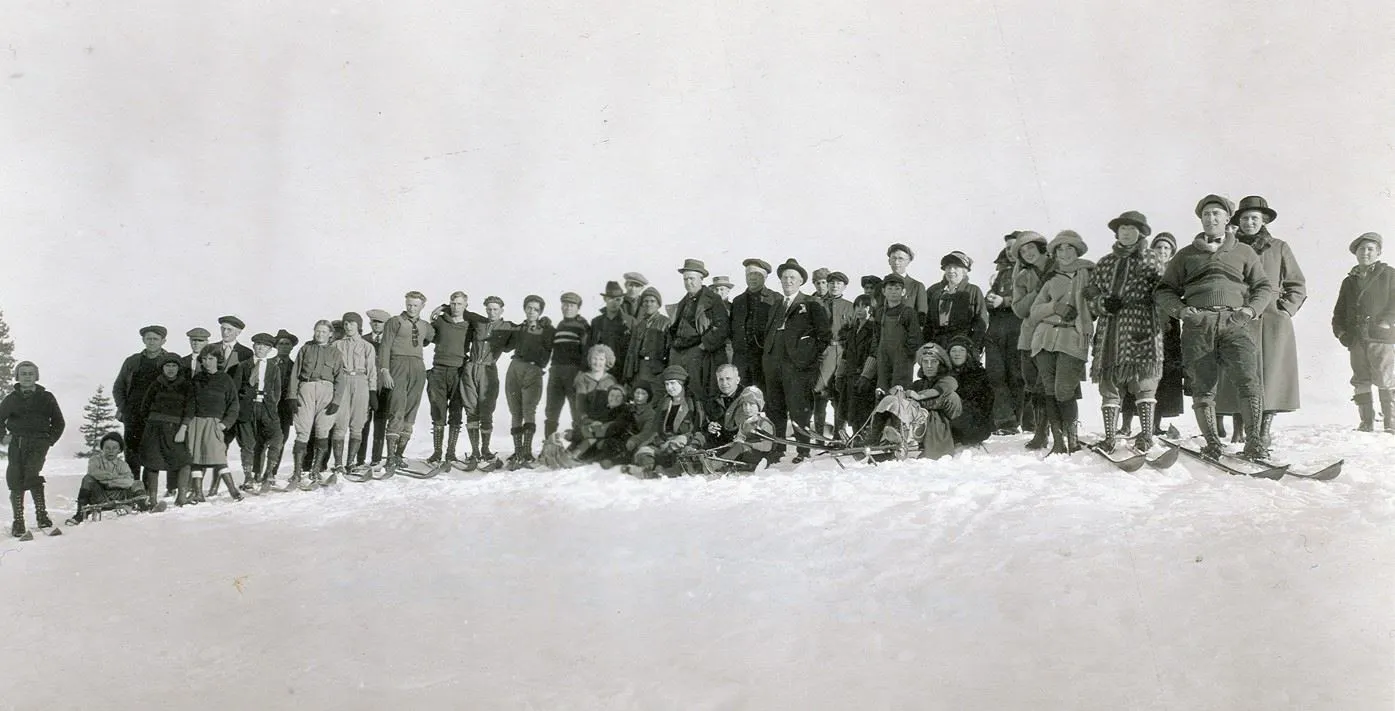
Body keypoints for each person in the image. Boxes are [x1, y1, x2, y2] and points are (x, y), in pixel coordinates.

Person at [1154, 194, 1276, 460]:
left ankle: (1254, 443)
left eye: (1217, 214)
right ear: (1201, 219)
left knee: (1248, 381)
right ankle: (1212, 443)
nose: (1211, 219)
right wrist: (1182, 311)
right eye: (1206, 214)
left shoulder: (1244, 251)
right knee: (1203, 386)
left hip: (1235, 323)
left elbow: (1263, 287)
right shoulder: (1186, 254)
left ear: (1226, 219)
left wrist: (1249, 310)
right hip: (1200, 325)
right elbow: (1164, 291)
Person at [1214, 196, 1308, 448]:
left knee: (1270, 376)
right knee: (1237, 371)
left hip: (1271, 321)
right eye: (1244, 218)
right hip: (1237, 317)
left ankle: (1264, 431)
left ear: (1264, 220)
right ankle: (1239, 429)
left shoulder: (1278, 247)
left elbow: (1296, 283)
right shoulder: (1228, 247)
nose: (1249, 222)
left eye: (1255, 218)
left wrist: (1286, 309)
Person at [1084, 211, 1166, 452]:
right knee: (1109, 383)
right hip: (1110, 329)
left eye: (1132, 229)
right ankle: (1109, 437)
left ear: (1141, 233)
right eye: (1123, 229)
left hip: (1143, 325)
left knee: (1144, 382)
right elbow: (1090, 293)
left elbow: (1163, 290)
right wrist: (1101, 303)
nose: (1127, 233)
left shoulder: (1151, 259)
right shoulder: (1105, 262)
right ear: (1116, 233)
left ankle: (1146, 435)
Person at [1025, 230, 1095, 454]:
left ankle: (1072, 439)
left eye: (1069, 248)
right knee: (1049, 390)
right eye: (1060, 249)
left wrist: (1093, 300)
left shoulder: (1090, 274)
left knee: (1064, 389)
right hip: (1044, 339)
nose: (1064, 253)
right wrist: (1054, 307)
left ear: (1077, 251)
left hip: (1073, 338)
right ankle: (1058, 441)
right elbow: (1033, 312)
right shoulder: (1051, 278)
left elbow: (1097, 308)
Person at [761, 259, 832, 462]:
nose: (788, 281)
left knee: (799, 408)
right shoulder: (776, 305)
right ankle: (778, 448)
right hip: (773, 364)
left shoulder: (810, 303)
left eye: (792, 277)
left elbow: (824, 336)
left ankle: (802, 450)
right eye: (784, 277)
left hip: (797, 366)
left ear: (801, 281)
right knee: (775, 407)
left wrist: (807, 358)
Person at [1333, 232, 1395, 432]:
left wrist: (1387, 322)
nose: (1365, 253)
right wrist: (1341, 333)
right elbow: (1339, 311)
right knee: (1360, 379)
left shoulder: (1389, 275)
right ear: (1355, 253)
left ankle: (1391, 422)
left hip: (1381, 338)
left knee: (1386, 377)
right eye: (1362, 249)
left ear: (1379, 253)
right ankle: (1366, 422)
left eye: (1370, 249)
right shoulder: (1348, 281)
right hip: (1357, 339)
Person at [0, 361, 65, 537]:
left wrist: (48, 441)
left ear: (36, 376)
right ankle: (18, 520)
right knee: (15, 477)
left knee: (32, 474)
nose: (27, 377)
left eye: (30, 373)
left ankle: (41, 515)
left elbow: (59, 422)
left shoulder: (47, 397)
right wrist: (3, 436)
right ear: (17, 377)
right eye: (23, 373)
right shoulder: (11, 398)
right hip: (17, 443)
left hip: (38, 443)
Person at [869, 343, 961, 459]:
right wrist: (897, 394)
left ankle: (897, 438)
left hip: (934, 427)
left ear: (940, 364)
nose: (929, 365)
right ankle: (878, 438)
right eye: (925, 361)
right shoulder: (918, 384)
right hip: (913, 422)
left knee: (904, 406)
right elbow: (906, 399)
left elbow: (943, 394)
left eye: (933, 361)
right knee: (891, 400)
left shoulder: (948, 381)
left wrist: (919, 397)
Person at [377, 291, 436, 472]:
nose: (411, 308)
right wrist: (385, 370)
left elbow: (431, 337)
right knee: (397, 409)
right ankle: (390, 458)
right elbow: (385, 346)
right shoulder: (395, 321)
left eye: (416, 305)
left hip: (417, 367)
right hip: (398, 364)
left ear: (422, 306)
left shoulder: (425, 326)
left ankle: (399, 455)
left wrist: (438, 312)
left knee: (411, 410)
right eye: (409, 304)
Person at [113, 325, 172, 493]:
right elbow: (118, 386)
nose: (152, 342)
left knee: (151, 453)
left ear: (163, 341)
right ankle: (133, 490)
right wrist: (123, 407)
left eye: (155, 339)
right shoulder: (132, 361)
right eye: (148, 339)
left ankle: (148, 491)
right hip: (133, 414)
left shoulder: (170, 361)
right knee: (132, 452)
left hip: (156, 415)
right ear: (143, 340)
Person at [500, 295, 554, 469]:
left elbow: (550, 347)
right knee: (515, 412)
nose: (532, 311)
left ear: (540, 312)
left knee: (529, 410)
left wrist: (546, 326)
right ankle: (518, 451)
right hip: (515, 368)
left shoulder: (546, 329)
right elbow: (505, 344)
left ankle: (527, 451)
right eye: (529, 308)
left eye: (536, 309)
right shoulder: (518, 328)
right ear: (524, 309)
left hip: (533, 370)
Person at [289, 320, 345, 487]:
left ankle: (316, 470)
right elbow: (295, 373)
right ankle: (297, 472)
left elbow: (340, 379)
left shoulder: (335, 353)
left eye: (323, 332)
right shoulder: (306, 349)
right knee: (303, 430)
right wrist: (291, 396)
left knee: (322, 430)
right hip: (306, 388)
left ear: (330, 334)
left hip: (326, 391)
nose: (320, 334)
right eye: (317, 331)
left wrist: (336, 401)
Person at [626, 365, 707, 477]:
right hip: (663, 445)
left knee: (686, 458)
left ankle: (666, 473)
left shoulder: (694, 403)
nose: (669, 387)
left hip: (683, 446)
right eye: (667, 384)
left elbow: (699, 430)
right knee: (644, 453)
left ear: (681, 383)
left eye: (673, 383)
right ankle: (647, 471)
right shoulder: (664, 403)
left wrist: (684, 439)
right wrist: (660, 442)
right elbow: (656, 430)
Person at [668, 258, 730, 401]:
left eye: (692, 279)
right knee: (681, 391)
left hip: (698, 353)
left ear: (701, 279)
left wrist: (703, 345)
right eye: (685, 279)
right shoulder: (684, 301)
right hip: (680, 351)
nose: (688, 282)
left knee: (697, 391)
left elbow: (721, 326)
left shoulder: (713, 299)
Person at [1010, 231, 1051, 448]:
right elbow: (1019, 309)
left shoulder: (1059, 267)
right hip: (1029, 337)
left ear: (1040, 247)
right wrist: (1038, 290)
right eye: (1023, 251)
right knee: (1034, 385)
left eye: (1030, 248)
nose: (1028, 253)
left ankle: (1062, 432)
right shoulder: (1022, 277)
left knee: (1056, 385)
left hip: (1055, 334)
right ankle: (1040, 432)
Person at [426, 293, 476, 465]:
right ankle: (437, 452)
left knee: (456, 412)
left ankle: (451, 453)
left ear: (465, 305)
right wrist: (438, 310)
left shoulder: (470, 325)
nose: (455, 307)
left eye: (459, 304)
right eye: (452, 304)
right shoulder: (440, 321)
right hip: (438, 370)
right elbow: (428, 331)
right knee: (438, 411)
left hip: (459, 371)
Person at [187, 345, 241, 505]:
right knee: (195, 458)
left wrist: (225, 424)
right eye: (204, 359)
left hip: (215, 424)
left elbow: (234, 404)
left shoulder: (225, 379)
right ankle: (198, 493)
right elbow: (189, 402)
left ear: (218, 360)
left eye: (211, 358)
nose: (207, 362)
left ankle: (233, 491)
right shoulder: (196, 379)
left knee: (219, 457)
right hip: (196, 423)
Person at [65, 432, 157, 525]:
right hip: (100, 495)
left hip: (120, 496)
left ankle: (144, 508)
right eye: (107, 448)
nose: (111, 451)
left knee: (137, 483)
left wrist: (108, 482)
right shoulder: (95, 460)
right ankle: (80, 515)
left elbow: (129, 482)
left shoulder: (123, 465)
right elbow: (93, 473)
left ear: (119, 450)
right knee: (87, 479)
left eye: (114, 448)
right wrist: (116, 478)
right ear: (102, 449)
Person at [137, 354, 193, 505]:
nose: (170, 369)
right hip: (154, 428)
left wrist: (183, 428)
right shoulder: (155, 384)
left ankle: (181, 497)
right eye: (167, 366)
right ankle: (153, 498)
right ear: (162, 368)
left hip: (176, 429)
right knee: (152, 462)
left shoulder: (186, 386)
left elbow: (190, 409)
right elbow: (144, 407)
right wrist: (151, 423)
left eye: (174, 366)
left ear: (178, 368)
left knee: (184, 461)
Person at [985, 232, 1026, 435]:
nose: (1011, 252)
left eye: (1014, 247)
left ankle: (1017, 421)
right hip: (997, 330)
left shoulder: (1030, 271)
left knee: (1017, 375)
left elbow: (1030, 296)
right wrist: (990, 299)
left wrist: (1005, 302)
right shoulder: (1002, 273)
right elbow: (991, 297)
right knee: (995, 374)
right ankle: (1004, 420)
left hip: (1019, 329)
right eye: (1008, 248)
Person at [462, 297, 509, 471]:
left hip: (489, 370)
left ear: (501, 310)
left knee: (486, 409)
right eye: (489, 309)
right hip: (471, 368)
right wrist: (443, 307)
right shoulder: (479, 322)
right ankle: (475, 451)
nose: (492, 312)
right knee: (471, 408)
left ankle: (485, 449)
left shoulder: (508, 327)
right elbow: (464, 312)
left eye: (496, 309)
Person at [238, 333, 286, 494]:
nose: (260, 348)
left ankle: (269, 473)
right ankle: (248, 477)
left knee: (277, 437)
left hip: (267, 408)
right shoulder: (243, 366)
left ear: (270, 350)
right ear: (253, 346)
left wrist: (271, 403)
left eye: (265, 346)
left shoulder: (273, 367)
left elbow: (277, 390)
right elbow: (237, 389)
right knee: (248, 443)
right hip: (248, 408)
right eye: (258, 344)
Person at [331, 312, 379, 475]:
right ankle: (338, 464)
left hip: (361, 382)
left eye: (352, 323)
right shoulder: (336, 345)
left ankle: (350, 462)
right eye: (345, 324)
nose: (348, 327)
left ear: (358, 325)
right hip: (342, 381)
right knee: (340, 422)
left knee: (358, 424)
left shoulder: (367, 346)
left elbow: (372, 371)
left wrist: (372, 392)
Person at [544, 292, 591, 439]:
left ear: (577, 308)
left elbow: (587, 352)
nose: (567, 308)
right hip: (556, 371)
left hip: (574, 371)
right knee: (552, 410)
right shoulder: (561, 324)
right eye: (564, 305)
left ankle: (578, 447)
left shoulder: (582, 326)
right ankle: (549, 444)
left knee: (576, 410)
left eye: (571, 305)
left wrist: (581, 373)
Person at [729, 258, 780, 390]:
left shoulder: (776, 299)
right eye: (749, 274)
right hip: (741, 359)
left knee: (766, 395)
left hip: (764, 359)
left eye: (757, 274)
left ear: (765, 277)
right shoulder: (738, 301)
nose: (752, 278)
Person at [815, 271, 855, 439]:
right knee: (819, 393)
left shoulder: (850, 306)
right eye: (831, 283)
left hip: (843, 353)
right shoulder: (817, 304)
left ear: (844, 286)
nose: (834, 286)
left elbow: (854, 330)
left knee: (839, 393)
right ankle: (818, 434)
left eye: (839, 283)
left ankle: (839, 435)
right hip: (824, 353)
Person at [924, 251, 989, 352]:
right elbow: (928, 323)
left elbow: (981, 321)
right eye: (948, 267)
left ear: (964, 271)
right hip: (938, 344)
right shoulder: (937, 293)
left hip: (962, 343)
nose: (951, 271)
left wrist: (974, 346)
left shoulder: (973, 291)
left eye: (956, 267)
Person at [838, 294, 880, 440]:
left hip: (865, 378)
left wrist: (866, 375)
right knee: (852, 412)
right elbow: (845, 354)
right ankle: (856, 439)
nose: (861, 310)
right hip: (850, 376)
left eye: (865, 306)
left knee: (863, 412)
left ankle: (866, 441)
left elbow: (875, 352)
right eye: (858, 306)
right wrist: (839, 374)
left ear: (872, 309)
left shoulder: (874, 328)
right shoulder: (853, 329)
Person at [874, 273, 924, 396]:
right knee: (882, 390)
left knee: (900, 392)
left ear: (903, 292)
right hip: (883, 358)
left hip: (902, 360)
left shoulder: (908, 312)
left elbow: (915, 338)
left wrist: (906, 357)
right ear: (883, 291)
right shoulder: (880, 313)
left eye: (897, 289)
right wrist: (878, 354)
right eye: (889, 289)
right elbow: (876, 336)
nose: (893, 292)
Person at [713, 386, 775, 472]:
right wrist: (737, 440)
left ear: (759, 405)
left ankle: (716, 464)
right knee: (732, 445)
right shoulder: (745, 422)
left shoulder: (764, 423)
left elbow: (767, 446)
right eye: (745, 404)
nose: (747, 408)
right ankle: (711, 459)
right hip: (746, 452)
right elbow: (740, 437)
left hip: (760, 456)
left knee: (740, 447)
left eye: (751, 404)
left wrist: (748, 444)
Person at [215, 316, 254, 451]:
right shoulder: (211, 348)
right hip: (214, 404)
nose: (225, 332)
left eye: (229, 330)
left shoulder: (246, 353)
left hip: (234, 404)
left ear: (238, 332)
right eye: (223, 329)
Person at [946, 336, 992, 448]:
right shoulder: (943, 373)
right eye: (954, 351)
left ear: (968, 353)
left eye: (961, 350)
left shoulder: (978, 374)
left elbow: (984, 404)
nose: (957, 354)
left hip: (974, 423)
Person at [358, 311, 391, 467]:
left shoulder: (390, 341)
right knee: (362, 423)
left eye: (380, 322)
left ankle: (376, 459)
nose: (376, 324)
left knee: (380, 423)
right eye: (374, 322)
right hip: (365, 386)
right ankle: (359, 459)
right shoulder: (362, 341)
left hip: (384, 387)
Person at [623, 287, 671, 394]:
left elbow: (669, 350)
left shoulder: (666, 322)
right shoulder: (639, 325)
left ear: (658, 304)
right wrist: (628, 375)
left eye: (652, 301)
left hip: (656, 371)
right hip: (639, 369)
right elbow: (631, 351)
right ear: (642, 304)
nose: (649, 304)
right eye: (646, 301)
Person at [573, 344, 620, 441]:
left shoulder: (611, 380)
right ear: (590, 360)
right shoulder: (583, 378)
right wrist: (587, 420)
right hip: (587, 421)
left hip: (605, 422)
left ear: (606, 361)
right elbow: (580, 405)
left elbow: (614, 404)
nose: (597, 362)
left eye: (601, 359)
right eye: (595, 358)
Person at [589, 282, 631, 383]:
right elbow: (590, 347)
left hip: (622, 372)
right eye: (610, 299)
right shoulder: (597, 322)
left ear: (622, 301)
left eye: (618, 299)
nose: (614, 303)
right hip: (601, 371)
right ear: (605, 299)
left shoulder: (630, 322)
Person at [703, 364, 744, 449]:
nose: (724, 383)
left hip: (743, 446)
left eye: (728, 379)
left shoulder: (747, 398)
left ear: (737, 380)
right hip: (720, 446)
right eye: (720, 379)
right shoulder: (712, 401)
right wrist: (709, 427)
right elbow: (704, 424)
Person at [883, 243, 929, 318]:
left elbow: (922, 315)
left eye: (900, 259)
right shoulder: (881, 285)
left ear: (908, 262)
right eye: (894, 258)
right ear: (889, 261)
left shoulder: (916, 286)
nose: (896, 262)